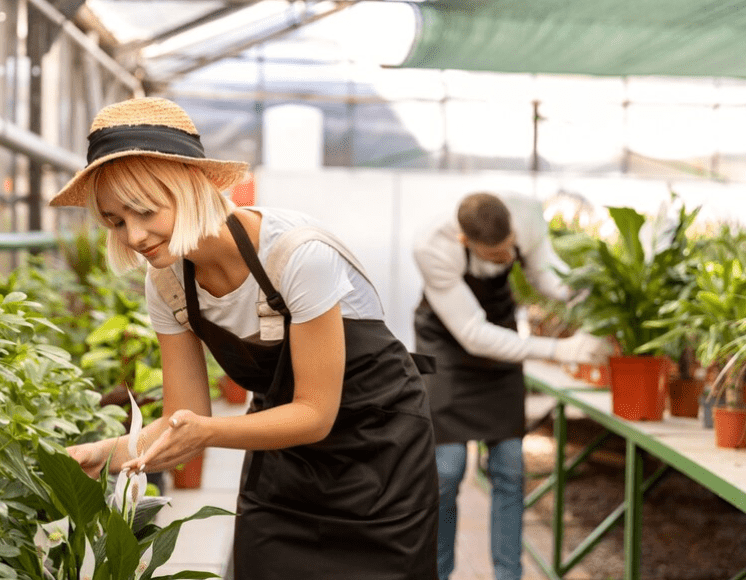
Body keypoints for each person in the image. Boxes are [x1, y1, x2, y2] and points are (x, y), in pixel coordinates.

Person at [53, 97, 440, 580]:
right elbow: (181, 421)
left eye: (144, 212)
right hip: (284, 457)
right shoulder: (169, 282)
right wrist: (102, 454)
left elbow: (316, 414)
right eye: (116, 222)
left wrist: (208, 432)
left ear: (190, 188)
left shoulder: (298, 255)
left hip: (381, 458)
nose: (133, 236)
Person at [412, 191, 611, 580]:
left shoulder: (525, 214)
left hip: (500, 335)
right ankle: (438, 572)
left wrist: (581, 292)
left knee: (510, 466)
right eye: (495, 255)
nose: (507, 259)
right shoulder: (431, 245)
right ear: (464, 242)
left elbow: (544, 276)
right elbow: (471, 333)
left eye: (509, 250)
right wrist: (559, 349)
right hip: (447, 346)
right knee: (446, 471)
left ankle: (508, 575)